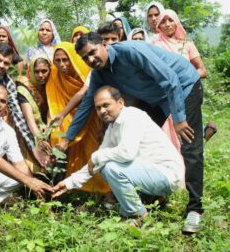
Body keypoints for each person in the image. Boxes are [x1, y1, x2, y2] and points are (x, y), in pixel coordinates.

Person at [57, 32, 205, 233]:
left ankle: (195, 210)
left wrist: (179, 119)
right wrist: (67, 138)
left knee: (190, 146)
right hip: (155, 98)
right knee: (136, 140)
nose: (91, 60)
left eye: (93, 52)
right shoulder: (100, 74)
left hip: (184, 85)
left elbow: (169, 78)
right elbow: (86, 106)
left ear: (104, 44)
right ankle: (151, 195)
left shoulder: (132, 51)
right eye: (85, 58)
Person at [53, 86, 184, 226]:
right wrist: (68, 183)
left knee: (110, 168)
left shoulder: (133, 116)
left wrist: (97, 156)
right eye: (98, 108)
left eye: (106, 105)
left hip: (166, 175)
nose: (102, 111)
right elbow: (97, 162)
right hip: (151, 173)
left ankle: (138, 214)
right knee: (105, 166)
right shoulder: (113, 127)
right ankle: (140, 205)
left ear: (120, 102)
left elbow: (126, 152)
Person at [46, 42, 109, 193]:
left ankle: (102, 189)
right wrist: (55, 120)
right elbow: (53, 102)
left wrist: (62, 114)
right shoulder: (54, 75)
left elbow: (82, 95)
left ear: (73, 58)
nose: (62, 64)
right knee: (58, 139)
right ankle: (67, 187)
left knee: (94, 150)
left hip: (89, 116)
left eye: (65, 59)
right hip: (66, 120)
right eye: (58, 60)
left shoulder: (86, 70)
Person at [16, 55, 52, 172]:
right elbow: (30, 120)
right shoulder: (24, 89)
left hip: (47, 127)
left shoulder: (51, 85)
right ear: (30, 71)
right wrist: (40, 138)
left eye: (44, 71)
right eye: (36, 72)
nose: (41, 75)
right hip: (29, 130)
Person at [153, 9, 207, 79]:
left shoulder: (186, 43)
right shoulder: (154, 44)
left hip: (188, 86)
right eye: (163, 22)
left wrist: (186, 77)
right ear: (159, 26)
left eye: (171, 20)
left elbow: (202, 70)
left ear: (176, 23)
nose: (167, 24)